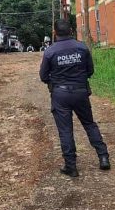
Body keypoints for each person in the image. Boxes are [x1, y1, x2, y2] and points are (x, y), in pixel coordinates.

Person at [40, 19, 110, 177]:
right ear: (71, 30)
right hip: (80, 92)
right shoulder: (82, 47)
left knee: (65, 130)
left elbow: (43, 76)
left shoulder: (50, 51)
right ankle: (103, 157)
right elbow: (90, 71)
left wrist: (55, 80)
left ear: (55, 32)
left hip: (60, 94)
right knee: (89, 124)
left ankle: (71, 166)